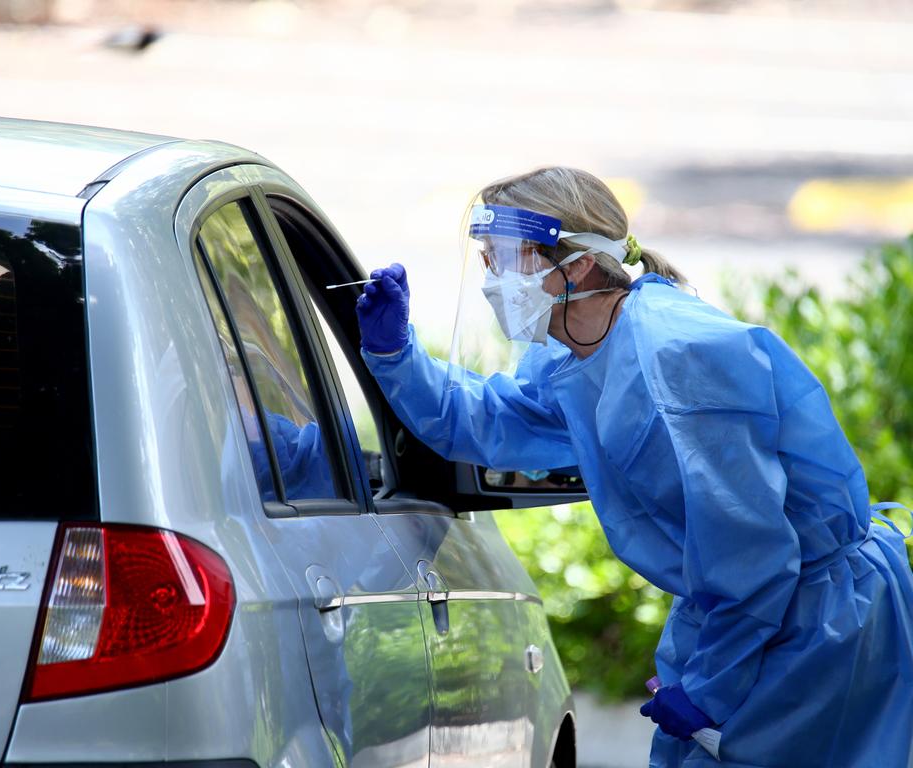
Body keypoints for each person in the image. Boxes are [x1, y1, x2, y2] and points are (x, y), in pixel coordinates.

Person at [354, 166, 913, 768]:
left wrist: (709, 689)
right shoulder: (576, 354)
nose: (495, 283)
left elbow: (754, 554)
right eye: (488, 263)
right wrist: (396, 355)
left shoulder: (679, 357)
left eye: (509, 261)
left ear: (578, 266)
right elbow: (494, 422)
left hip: (813, 626)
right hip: (750, 617)